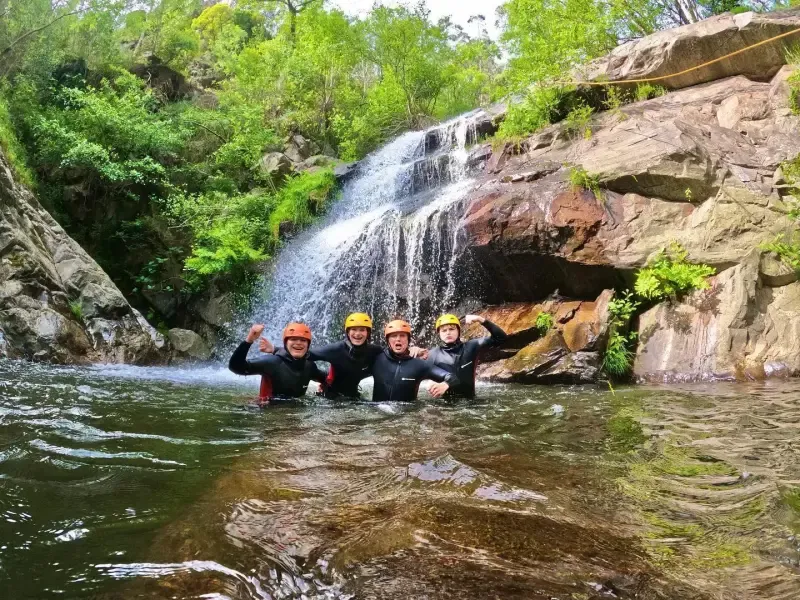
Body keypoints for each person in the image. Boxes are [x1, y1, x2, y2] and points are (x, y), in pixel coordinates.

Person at [258, 312, 427, 400]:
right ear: (347, 332)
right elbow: (304, 353)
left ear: (368, 333)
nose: (358, 334)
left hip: (354, 397)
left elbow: (394, 353)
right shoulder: (335, 349)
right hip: (331, 398)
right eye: (353, 330)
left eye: (362, 330)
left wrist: (415, 349)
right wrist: (275, 349)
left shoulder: (374, 351)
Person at [229, 322, 327, 405]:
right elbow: (236, 367)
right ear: (286, 343)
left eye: (303, 340)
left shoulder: (309, 366)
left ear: (308, 344)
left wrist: (326, 387)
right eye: (293, 339)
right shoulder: (272, 363)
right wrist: (249, 340)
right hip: (268, 412)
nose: (298, 343)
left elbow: (327, 379)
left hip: (296, 413)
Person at [371, 319, 458, 402]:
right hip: (376, 412)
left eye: (402, 336)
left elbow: (452, 377)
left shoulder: (419, 365)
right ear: (388, 340)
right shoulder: (376, 358)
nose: (398, 339)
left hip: (406, 415)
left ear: (408, 339)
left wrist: (445, 384)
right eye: (394, 336)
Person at [426, 313, 508, 399]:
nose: (448, 333)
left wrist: (480, 319)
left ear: (458, 331)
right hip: (444, 407)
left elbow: (501, 338)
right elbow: (415, 370)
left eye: (451, 329)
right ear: (439, 334)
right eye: (444, 330)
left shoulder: (471, 346)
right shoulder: (432, 354)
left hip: (470, 404)